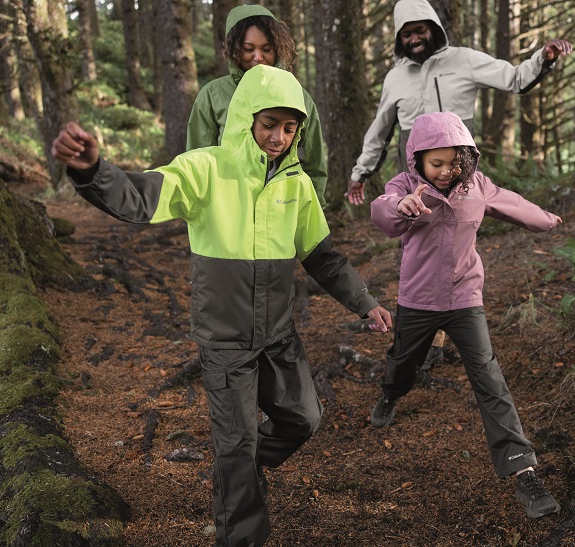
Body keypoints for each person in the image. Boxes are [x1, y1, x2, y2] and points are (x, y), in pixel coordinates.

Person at [52, 64, 392, 547]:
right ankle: (240, 514)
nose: (278, 137)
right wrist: (91, 169)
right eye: (269, 124)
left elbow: (323, 257)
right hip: (225, 341)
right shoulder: (205, 168)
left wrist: (365, 303)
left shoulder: (296, 183)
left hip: (278, 336)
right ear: (246, 117)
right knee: (237, 444)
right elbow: (140, 198)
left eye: (289, 128)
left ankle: (239, 473)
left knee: (304, 419)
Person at [346, 0, 571, 367]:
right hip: (416, 174)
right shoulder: (395, 78)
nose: (414, 38)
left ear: (434, 28)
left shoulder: (464, 60)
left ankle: (443, 331)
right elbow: (381, 128)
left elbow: (514, 78)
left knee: (456, 242)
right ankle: (423, 336)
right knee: (418, 246)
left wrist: (543, 58)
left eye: (420, 30)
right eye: (407, 33)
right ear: (399, 39)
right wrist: (361, 172)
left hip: (456, 169)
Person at [368, 111, 562, 519]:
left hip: (464, 299)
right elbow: (382, 212)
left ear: (466, 158)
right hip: (418, 300)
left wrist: (545, 220)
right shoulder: (404, 186)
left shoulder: (476, 185)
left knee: (490, 378)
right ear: (418, 159)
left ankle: (523, 471)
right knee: (403, 363)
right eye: (435, 163)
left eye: (453, 163)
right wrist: (402, 206)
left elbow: (511, 203)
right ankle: (390, 395)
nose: (445, 171)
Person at [187, 4, 329, 206]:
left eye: (266, 49)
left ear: (277, 49)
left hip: (283, 209)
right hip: (229, 208)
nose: (258, 57)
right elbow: (197, 160)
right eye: (248, 49)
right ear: (234, 49)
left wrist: (315, 211)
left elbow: (313, 163)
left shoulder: (298, 95)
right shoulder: (212, 95)